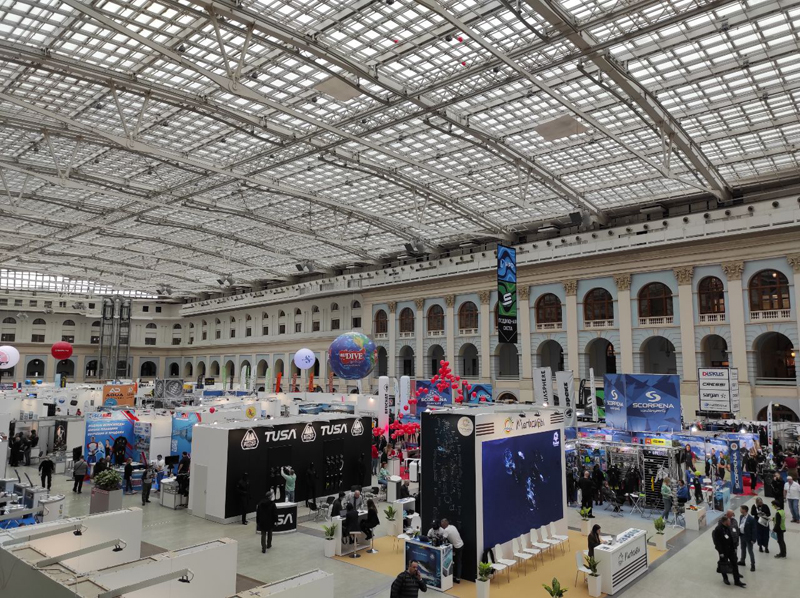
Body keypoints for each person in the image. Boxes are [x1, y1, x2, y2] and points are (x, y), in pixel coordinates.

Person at [712, 515, 745, 587]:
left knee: (735, 565)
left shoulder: (728, 528)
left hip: (731, 550)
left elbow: (730, 538)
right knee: (724, 565)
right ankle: (725, 578)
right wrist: (720, 552)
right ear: (725, 522)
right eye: (728, 521)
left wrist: (734, 548)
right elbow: (717, 542)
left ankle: (737, 581)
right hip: (723, 552)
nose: (730, 522)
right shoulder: (718, 529)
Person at [440, 519, 464, 584]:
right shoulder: (453, 526)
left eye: (442, 525)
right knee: (459, 562)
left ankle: (451, 576)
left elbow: (442, 539)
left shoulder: (446, 530)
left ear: (445, 524)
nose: (442, 526)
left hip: (456, 547)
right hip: (461, 545)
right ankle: (458, 578)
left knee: (451, 562)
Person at [738, 505, 757, 571]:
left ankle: (753, 565)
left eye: (741, 509)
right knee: (742, 549)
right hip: (742, 536)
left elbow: (754, 530)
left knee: (750, 551)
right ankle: (742, 561)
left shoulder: (751, 519)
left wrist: (753, 539)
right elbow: (740, 525)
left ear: (744, 510)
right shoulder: (741, 517)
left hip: (748, 538)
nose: (740, 510)